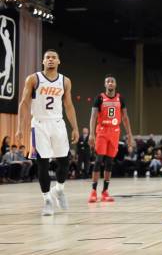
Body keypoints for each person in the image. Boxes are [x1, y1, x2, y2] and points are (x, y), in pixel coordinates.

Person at [15, 49, 79, 215]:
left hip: (58, 123)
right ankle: (47, 200)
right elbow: (23, 103)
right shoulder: (33, 79)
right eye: (47, 57)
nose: (50, 59)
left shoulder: (65, 81)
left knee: (64, 162)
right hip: (40, 124)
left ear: (59, 61)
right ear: (43, 61)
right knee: (42, 164)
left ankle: (59, 189)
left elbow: (69, 105)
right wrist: (19, 128)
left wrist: (75, 127)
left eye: (54, 57)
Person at [88, 75, 133, 203]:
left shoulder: (120, 98)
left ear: (115, 84)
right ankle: (93, 191)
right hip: (102, 130)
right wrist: (91, 134)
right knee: (98, 160)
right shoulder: (99, 98)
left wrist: (129, 134)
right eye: (108, 81)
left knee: (109, 162)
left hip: (115, 131)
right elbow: (93, 117)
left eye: (112, 81)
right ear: (105, 84)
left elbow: (125, 118)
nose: (110, 83)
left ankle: (105, 192)